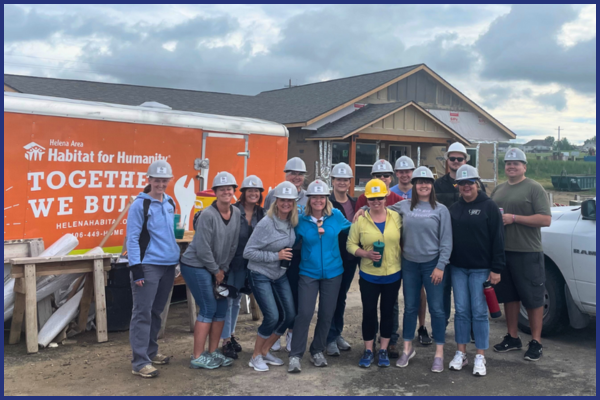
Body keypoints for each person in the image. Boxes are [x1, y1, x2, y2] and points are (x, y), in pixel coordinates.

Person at [491, 148, 551, 362]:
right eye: (508, 163)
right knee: (510, 297)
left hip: (528, 252)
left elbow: (545, 219)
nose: (512, 166)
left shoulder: (534, 188)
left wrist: (515, 218)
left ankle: (536, 342)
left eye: (517, 163)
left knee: (533, 299)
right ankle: (513, 337)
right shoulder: (498, 190)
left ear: (524, 167)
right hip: (504, 253)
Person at [288, 180, 352, 373]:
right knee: (305, 313)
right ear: (309, 199)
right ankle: (295, 355)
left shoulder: (336, 216)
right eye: (314, 197)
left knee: (326, 314)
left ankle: (317, 350)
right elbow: (291, 240)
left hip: (334, 272)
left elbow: (354, 229)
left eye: (321, 197)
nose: (318, 200)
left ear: (326, 198)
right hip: (308, 272)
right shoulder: (300, 220)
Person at [447, 165, 505, 376]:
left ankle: (480, 355)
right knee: (461, 311)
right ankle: (461, 353)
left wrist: (497, 268)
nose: (466, 187)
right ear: (458, 186)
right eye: (462, 183)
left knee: (479, 312)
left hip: (481, 269)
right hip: (458, 268)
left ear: (477, 183)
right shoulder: (454, 209)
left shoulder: (489, 206)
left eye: (470, 182)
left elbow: (498, 239)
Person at [180, 172, 241, 370]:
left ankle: (213, 352)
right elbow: (202, 248)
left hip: (219, 268)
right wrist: (216, 271)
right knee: (208, 307)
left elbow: (233, 244)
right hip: (196, 265)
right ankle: (197, 356)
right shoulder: (207, 215)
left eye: (229, 188)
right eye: (221, 189)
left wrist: (223, 268)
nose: (226, 191)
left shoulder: (236, 213)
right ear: (215, 192)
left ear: (233, 191)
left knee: (222, 308)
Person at [394, 166, 452, 372]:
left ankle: (439, 353)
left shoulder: (441, 210)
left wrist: (440, 266)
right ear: (414, 185)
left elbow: (446, 241)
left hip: (432, 265)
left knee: (437, 309)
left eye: (427, 182)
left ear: (432, 185)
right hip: (409, 264)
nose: (423, 185)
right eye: (419, 182)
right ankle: (408, 348)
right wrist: (362, 209)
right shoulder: (404, 205)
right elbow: (380, 209)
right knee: (410, 307)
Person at [126, 160, 180, 379]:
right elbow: (132, 238)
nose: (160, 183)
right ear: (149, 180)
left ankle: (151, 352)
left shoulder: (169, 201)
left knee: (156, 312)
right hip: (148, 266)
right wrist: (136, 269)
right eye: (156, 180)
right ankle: (139, 362)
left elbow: (169, 234)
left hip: (168, 265)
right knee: (142, 312)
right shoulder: (140, 205)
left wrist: (175, 261)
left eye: (164, 180)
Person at [243, 181, 298, 372]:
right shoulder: (266, 223)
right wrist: (276, 256)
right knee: (272, 316)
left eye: (289, 201)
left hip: (279, 274)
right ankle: (255, 356)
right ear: (276, 201)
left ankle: (265, 350)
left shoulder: (291, 222)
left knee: (290, 315)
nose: (286, 204)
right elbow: (248, 252)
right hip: (260, 274)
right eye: (283, 200)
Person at [347, 179, 402, 368]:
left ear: (386, 196)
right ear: (366, 200)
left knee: (387, 313)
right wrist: (365, 253)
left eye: (379, 197)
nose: (376, 201)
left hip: (392, 274)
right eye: (372, 199)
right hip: (369, 275)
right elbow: (350, 245)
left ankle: (384, 349)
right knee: (369, 313)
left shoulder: (396, 217)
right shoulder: (360, 219)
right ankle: (369, 349)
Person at [264, 157, 308, 353]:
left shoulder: (307, 196)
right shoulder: (273, 194)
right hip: (277, 252)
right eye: (292, 173)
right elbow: (267, 220)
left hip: (299, 253)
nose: (296, 177)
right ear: (285, 174)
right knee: (276, 294)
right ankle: (275, 333)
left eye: (300, 174)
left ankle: (291, 333)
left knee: (295, 295)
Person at [220, 175, 266, 359]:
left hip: (251, 264)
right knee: (229, 300)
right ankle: (225, 341)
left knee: (237, 301)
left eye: (257, 191)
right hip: (233, 262)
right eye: (250, 191)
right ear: (243, 193)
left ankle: (230, 335)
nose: (253, 193)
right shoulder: (233, 210)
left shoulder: (262, 213)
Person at [390, 156, 433, 349]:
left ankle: (422, 326)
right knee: (395, 292)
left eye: (408, 171)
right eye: (401, 171)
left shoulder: (424, 192)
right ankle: (392, 331)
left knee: (420, 291)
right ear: (396, 173)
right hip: (395, 249)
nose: (405, 174)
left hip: (415, 250)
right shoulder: (391, 193)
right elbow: (380, 208)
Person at [433, 142, 470, 327]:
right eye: (452, 158)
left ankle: (469, 327)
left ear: (466, 160)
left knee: (468, 289)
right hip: (443, 244)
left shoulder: (475, 183)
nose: (456, 161)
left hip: (468, 246)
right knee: (443, 287)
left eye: (459, 158)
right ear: (447, 161)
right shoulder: (437, 185)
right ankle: (442, 323)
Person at [326, 163, 359, 356]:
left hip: (349, 258)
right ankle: (328, 338)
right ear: (332, 181)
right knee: (331, 298)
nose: (342, 182)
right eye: (338, 179)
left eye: (345, 179)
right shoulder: (326, 203)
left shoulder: (355, 203)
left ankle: (336, 333)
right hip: (331, 257)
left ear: (349, 182)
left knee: (341, 297)